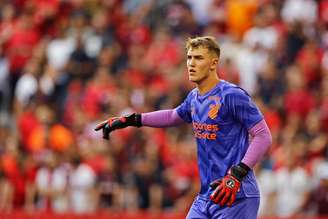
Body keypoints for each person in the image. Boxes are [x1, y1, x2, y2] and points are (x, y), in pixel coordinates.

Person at [95, 36, 272, 219]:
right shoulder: (194, 97)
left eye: (198, 58)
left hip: (236, 195)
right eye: (189, 58)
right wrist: (131, 120)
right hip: (207, 196)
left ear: (213, 63)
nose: (191, 64)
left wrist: (237, 175)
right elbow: (173, 116)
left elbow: (263, 135)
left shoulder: (232, 95)